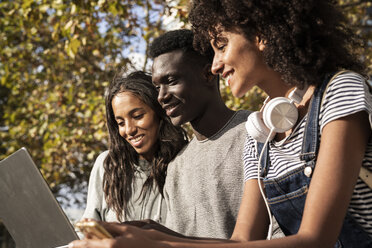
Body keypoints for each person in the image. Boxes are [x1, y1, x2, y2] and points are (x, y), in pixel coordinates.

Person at [70, 0, 372, 247]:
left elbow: (315, 240)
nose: (215, 65)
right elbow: (241, 242)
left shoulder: (340, 91)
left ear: (262, 35)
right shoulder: (261, 130)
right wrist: (153, 233)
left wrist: (157, 246)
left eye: (221, 45)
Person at [70, 29, 252, 246]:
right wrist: (152, 233)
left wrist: (155, 239)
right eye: (157, 87)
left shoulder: (255, 133)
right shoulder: (178, 167)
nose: (161, 96)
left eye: (171, 81)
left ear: (208, 74)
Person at [82, 70, 188, 223]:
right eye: (120, 123)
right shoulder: (107, 165)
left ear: (159, 112)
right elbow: (88, 227)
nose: (129, 130)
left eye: (137, 116)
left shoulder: (184, 164)